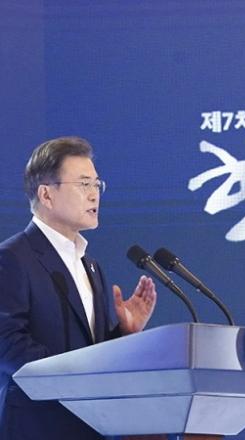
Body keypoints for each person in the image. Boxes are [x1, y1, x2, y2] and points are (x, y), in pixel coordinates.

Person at [0, 137, 157, 439]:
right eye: (84, 184)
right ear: (46, 194)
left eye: (97, 185)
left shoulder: (90, 265)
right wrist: (73, 377)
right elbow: (6, 343)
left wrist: (123, 334)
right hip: (36, 426)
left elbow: (92, 352)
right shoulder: (12, 258)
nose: (94, 194)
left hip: (90, 425)